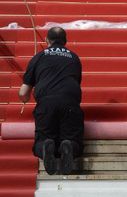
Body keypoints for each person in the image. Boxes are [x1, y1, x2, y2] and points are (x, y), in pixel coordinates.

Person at [18, 27, 84, 175]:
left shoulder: (38, 57)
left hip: (46, 103)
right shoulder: (74, 58)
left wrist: (24, 99)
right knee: (74, 141)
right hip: (70, 103)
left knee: (42, 140)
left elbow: (23, 92)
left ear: (47, 40)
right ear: (65, 42)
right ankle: (68, 146)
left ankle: (46, 146)